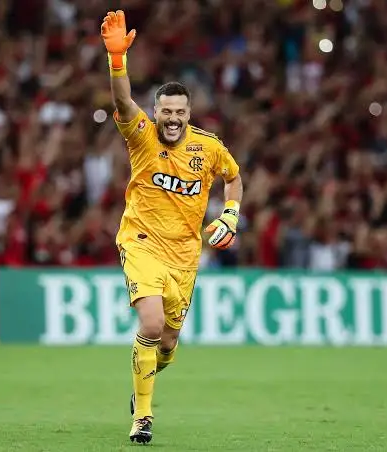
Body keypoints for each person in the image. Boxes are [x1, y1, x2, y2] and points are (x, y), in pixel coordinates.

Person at [100, 10, 244, 444]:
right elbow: (123, 102)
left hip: (185, 254)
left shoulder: (209, 148)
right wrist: (117, 61)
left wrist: (231, 213)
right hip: (141, 241)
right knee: (150, 323)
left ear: (189, 112)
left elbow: (234, 178)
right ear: (157, 111)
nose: (173, 118)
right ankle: (142, 415)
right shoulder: (141, 135)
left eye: (180, 111)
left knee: (166, 345)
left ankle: (143, 381)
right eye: (166, 111)